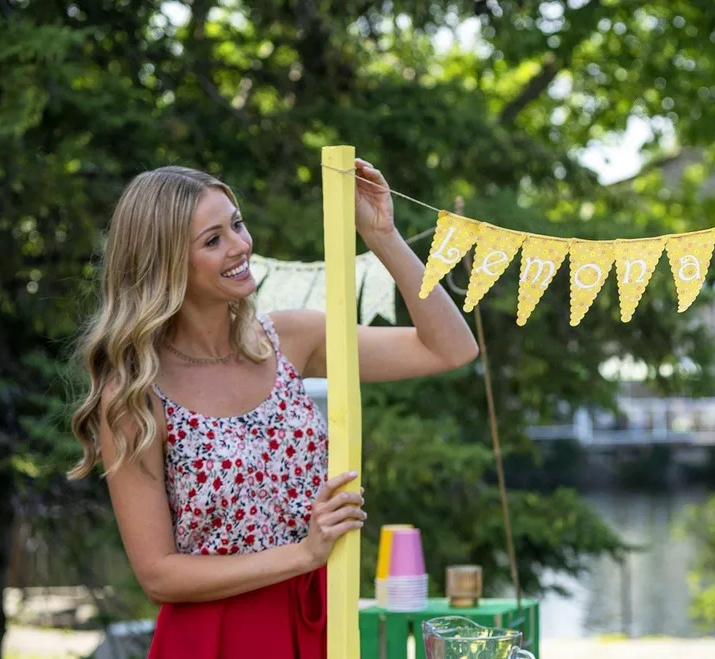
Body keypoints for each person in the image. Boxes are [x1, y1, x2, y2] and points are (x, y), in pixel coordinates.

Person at [68, 159, 479, 658]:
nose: (241, 245)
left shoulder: (290, 339)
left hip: (321, 619)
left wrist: (383, 235)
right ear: (166, 262)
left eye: (237, 224)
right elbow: (159, 574)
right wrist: (303, 553)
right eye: (212, 239)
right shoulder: (136, 392)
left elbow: (451, 349)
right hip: (216, 637)